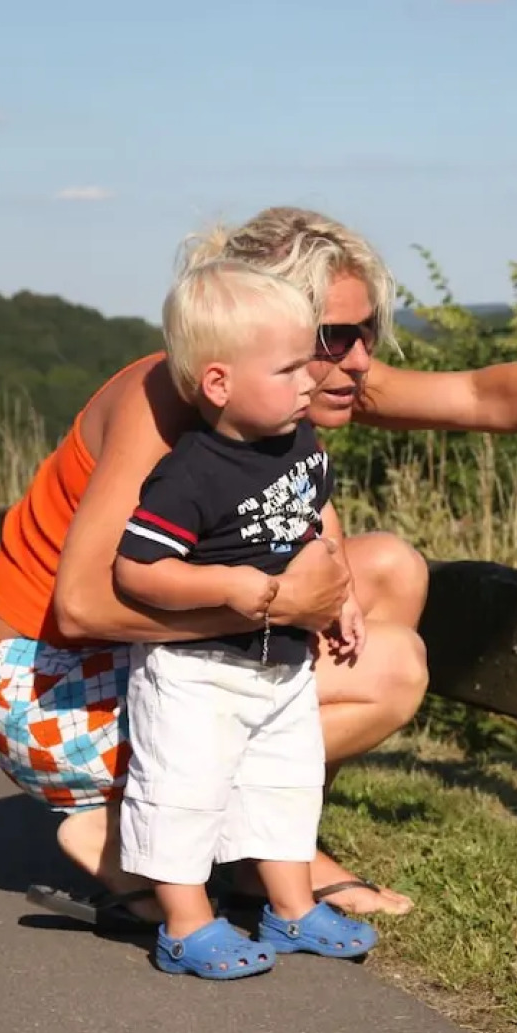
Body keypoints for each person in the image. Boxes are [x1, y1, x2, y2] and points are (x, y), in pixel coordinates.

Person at [0, 204, 517, 930]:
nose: (358, 359)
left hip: (137, 658)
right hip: (43, 687)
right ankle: (152, 841)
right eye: (334, 336)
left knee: (389, 569)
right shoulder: (168, 394)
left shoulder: (284, 385)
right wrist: (278, 604)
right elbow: (82, 606)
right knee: (391, 669)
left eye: (368, 331)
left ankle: (262, 842)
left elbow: (482, 398)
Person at [113, 258, 377, 977]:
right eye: (288, 370)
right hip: (196, 672)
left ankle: (290, 908)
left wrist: (342, 591)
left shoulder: (300, 443)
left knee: (287, 785)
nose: (309, 381)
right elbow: (137, 568)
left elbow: (318, 512)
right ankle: (186, 925)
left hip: (280, 664)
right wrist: (226, 586)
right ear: (219, 384)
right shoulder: (190, 474)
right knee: (183, 792)